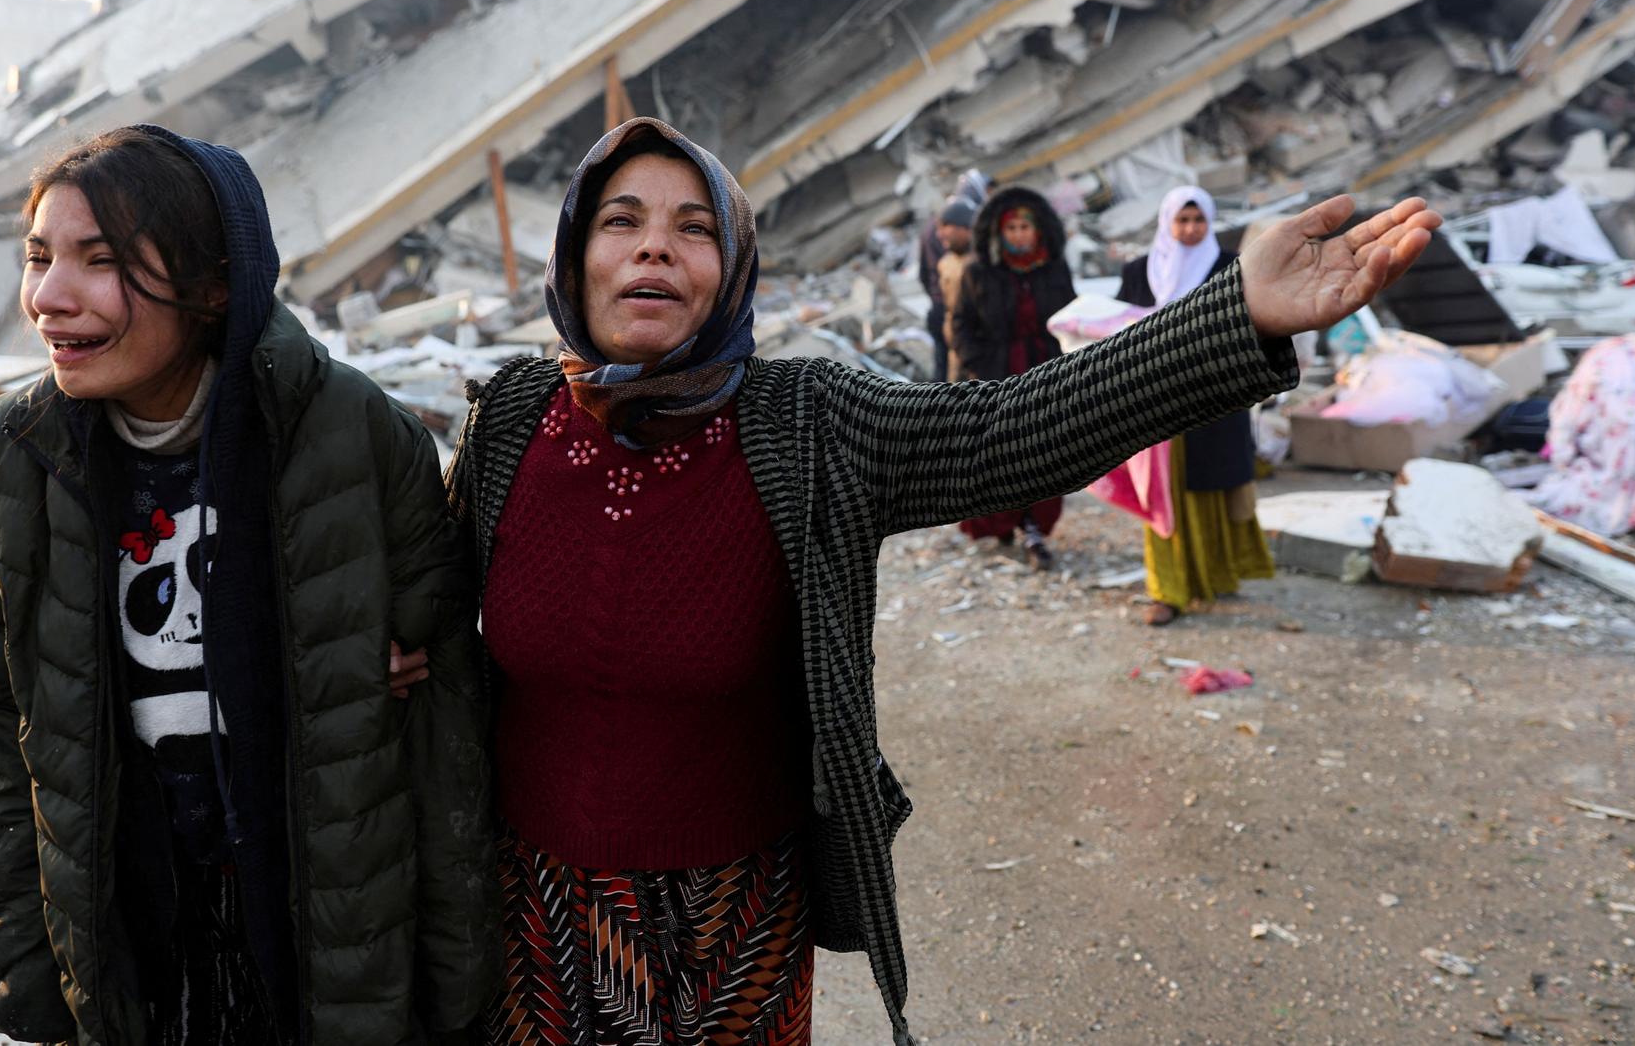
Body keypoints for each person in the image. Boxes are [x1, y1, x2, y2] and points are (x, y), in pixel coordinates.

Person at [446, 117, 1438, 1045]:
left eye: (692, 228)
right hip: (529, 907)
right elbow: (427, 596)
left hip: (734, 920)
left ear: (733, 266)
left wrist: (1231, 316)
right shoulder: (509, 419)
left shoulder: (808, 423)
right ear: (573, 256)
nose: (653, 248)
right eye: (620, 222)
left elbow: (1011, 428)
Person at [0, 125, 497, 1045]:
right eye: (40, 257)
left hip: (313, 922)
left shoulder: (355, 435)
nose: (48, 297)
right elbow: (4, 731)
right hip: (136, 928)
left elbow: (442, 736)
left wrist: (453, 984)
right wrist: (30, 968)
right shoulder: (12, 457)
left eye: (100, 259)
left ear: (213, 286)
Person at [1117, 186, 1276, 625]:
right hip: (1154, 405)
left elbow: (1251, 325)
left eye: (1198, 220)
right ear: (1167, 222)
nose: (1190, 230)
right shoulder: (1138, 272)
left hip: (1215, 399)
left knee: (1212, 487)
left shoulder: (1229, 269)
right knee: (1163, 496)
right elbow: (1111, 335)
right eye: (1181, 221)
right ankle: (1168, 590)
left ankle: (1218, 575)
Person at [948, 186, 1077, 569]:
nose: (1019, 234)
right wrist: (979, 366)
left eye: (1025, 227)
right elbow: (961, 325)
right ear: (1000, 233)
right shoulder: (978, 272)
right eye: (1012, 228)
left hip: (1046, 374)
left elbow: (1071, 316)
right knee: (1000, 454)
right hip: (996, 379)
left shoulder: (1054, 270)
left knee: (1043, 453)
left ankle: (1034, 528)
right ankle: (1004, 521)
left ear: (1038, 231)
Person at [917, 197, 978, 381]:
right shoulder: (946, 265)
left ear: (965, 228)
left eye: (945, 227)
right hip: (956, 344)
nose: (939, 234)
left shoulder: (982, 265)